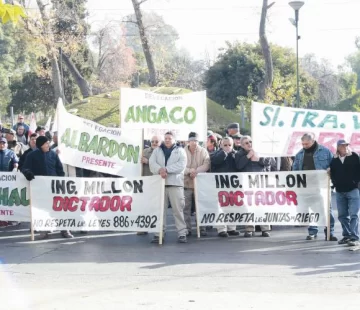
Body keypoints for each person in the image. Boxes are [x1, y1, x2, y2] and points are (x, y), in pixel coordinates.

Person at [22, 136, 73, 239]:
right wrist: (28, 173)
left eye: (48, 143)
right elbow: (24, 168)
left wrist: (61, 180)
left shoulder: (53, 155)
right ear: (40, 145)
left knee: (59, 208)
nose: (48, 145)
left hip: (55, 187)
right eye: (46, 144)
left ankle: (64, 230)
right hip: (40, 188)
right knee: (44, 209)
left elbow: (60, 170)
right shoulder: (31, 155)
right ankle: (44, 230)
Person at [293, 133, 337, 241]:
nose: (304, 146)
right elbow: (294, 170)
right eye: (303, 144)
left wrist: (330, 170)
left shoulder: (325, 151)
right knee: (311, 210)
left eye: (307, 144)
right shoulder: (299, 154)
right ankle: (312, 232)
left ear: (313, 141)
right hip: (307, 186)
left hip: (322, 186)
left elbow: (334, 165)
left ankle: (329, 233)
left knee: (327, 209)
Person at [149, 131, 188, 243]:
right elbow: (152, 163)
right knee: (160, 210)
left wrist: (166, 170)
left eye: (169, 138)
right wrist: (159, 170)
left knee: (178, 210)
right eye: (165, 138)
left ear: (174, 139)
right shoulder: (157, 150)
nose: (167, 140)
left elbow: (181, 165)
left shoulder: (180, 151)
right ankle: (159, 233)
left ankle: (181, 233)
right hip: (160, 184)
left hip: (175, 184)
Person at [235, 135, 272, 237]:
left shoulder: (259, 151)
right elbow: (238, 166)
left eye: (250, 142)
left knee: (262, 206)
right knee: (248, 207)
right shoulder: (239, 154)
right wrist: (248, 157)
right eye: (246, 143)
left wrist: (258, 159)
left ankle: (265, 229)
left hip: (260, 182)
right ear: (242, 145)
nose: (249, 144)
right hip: (247, 184)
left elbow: (268, 162)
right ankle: (249, 229)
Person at [330, 140, 360, 247]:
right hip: (339, 191)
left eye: (346, 145)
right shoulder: (334, 159)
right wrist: (335, 182)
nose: (344, 147)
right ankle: (347, 235)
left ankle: (355, 237)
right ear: (338, 147)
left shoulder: (355, 156)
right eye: (342, 146)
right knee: (342, 215)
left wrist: (356, 183)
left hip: (353, 190)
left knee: (354, 214)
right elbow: (332, 172)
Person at [210, 137, 240, 237]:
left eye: (229, 145)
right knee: (220, 207)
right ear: (220, 145)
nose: (227, 147)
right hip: (219, 185)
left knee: (232, 206)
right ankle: (221, 229)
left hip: (233, 185)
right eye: (225, 145)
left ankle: (232, 228)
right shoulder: (215, 154)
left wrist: (233, 154)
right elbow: (215, 161)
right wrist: (224, 153)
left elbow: (240, 166)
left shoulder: (236, 154)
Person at [184, 132, 210, 236]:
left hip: (199, 183)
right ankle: (186, 228)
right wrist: (190, 171)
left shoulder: (203, 151)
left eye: (196, 140)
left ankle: (201, 227)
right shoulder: (182, 151)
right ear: (188, 141)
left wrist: (196, 171)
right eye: (192, 140)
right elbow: (179, 165)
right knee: (185, 207)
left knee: (200, 206)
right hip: (186, 182)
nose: (194, 142)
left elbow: (207, 164)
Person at [137, 135, 162, 236]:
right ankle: (143, 227)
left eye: (157, 141)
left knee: (157, 207)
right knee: (144, 206)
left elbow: (161, 165)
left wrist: (148, 162)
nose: (154, 143)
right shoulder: (144, 152)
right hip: (145, 182)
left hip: (157, 182)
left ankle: (158, 229)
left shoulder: (163, 152)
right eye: (153, 141)